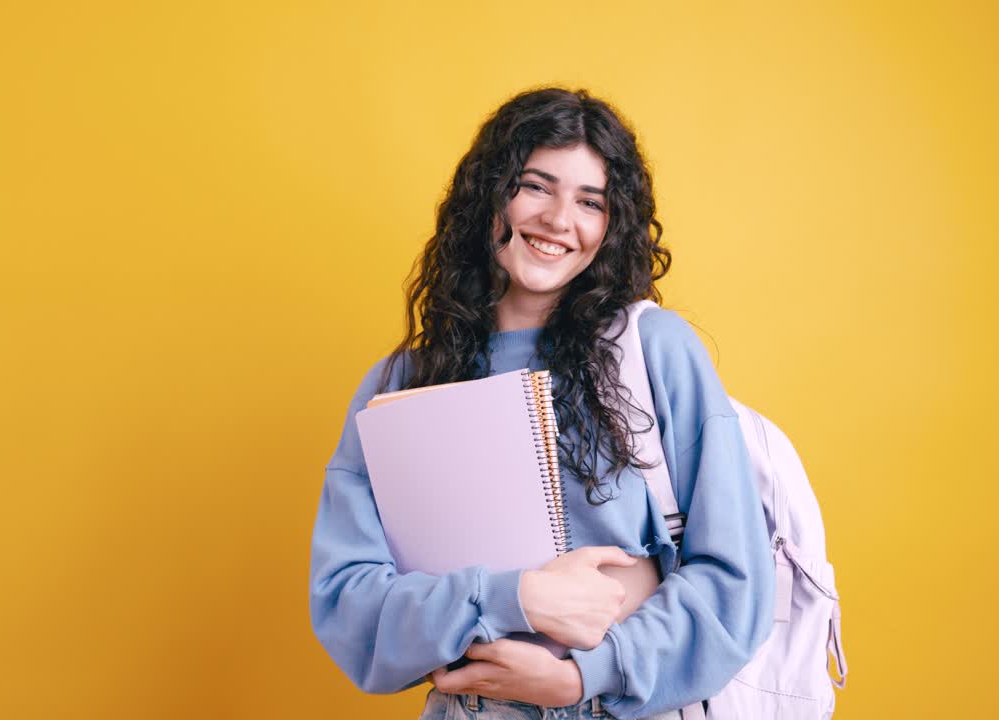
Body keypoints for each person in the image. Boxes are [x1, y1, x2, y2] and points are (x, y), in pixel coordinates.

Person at [309, 86, 774, 720]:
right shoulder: (400, 385)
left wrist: (580, 678)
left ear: (612, 227)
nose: (560, 220)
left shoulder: (652, 350)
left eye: (591, 201)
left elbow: (734, 586)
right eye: (535, 186)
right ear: (490, 196)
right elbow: (351, 613)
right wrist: (516, 598)